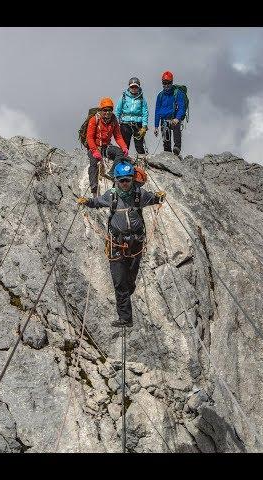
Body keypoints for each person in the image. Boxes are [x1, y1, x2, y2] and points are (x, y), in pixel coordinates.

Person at [77, 162, 166, 327]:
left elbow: (153, 198)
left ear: (132, 179)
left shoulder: (140, 194)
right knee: (119, 282)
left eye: (127, 180)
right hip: (116, 244)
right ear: (116, 180)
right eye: (121, 180)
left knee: (130, 280)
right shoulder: (111, 196)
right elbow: (97, 202)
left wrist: (159, 197)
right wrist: (86, 201)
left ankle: (127, 292)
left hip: (136, 244)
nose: (125, 183)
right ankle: (125, 318)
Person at [86, 97, 129, 197]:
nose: (107, 112)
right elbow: (89, 138)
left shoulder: (113, 120)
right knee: (93, 163)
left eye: (109, 110)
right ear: (101, 110)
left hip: (105, 147)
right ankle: (94, 186)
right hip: (94, 147)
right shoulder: (94, 120)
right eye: (105, 110)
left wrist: (124, 147)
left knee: (120, 153)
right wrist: (94, 151)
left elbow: (118, 136)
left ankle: (111, 172)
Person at [115, 77, 149, 160]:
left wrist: (144, 126)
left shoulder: (142, 99)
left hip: (138, 124)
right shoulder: (123, 97)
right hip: (125, 124)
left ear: (139, 87)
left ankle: (142, 162)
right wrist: (115, 123)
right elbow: (118, 111)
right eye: (132, 87)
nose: (134, 89)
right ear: (129, 87)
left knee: (139, 145)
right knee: (125, 145)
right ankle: (122, 162)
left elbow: (145, 113)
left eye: (135, 87)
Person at [153, 70, 186, 156]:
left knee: (176, 127)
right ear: (162, 83)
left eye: (168, 83)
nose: (166, 85)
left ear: (172, 82)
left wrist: (177, 118)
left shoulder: (178, 93)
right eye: (164, 83)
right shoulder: (160, 95)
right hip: (164, 120)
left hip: (174, 119)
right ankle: (168, 154)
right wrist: (156, 126)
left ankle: (177, 148)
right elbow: (157, 111)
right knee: (166, 139)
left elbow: (181, 108)